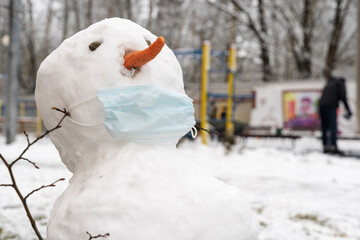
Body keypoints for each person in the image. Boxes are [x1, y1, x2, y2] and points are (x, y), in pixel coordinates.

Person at [318, 76, 352, 154]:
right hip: (330, 106)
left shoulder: (329, 84)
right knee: (333, 126)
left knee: (325, 127)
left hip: (321, 106)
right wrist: (349, 110)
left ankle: (325, 145)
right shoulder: (340, 84)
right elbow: (343, 97)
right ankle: (333, 146)